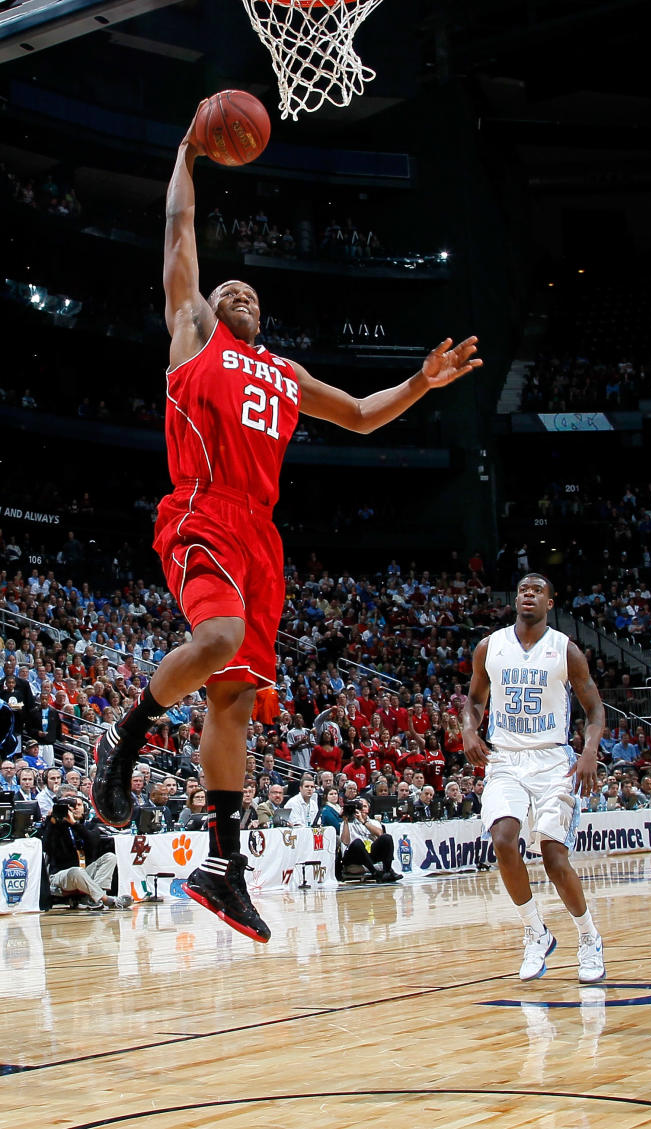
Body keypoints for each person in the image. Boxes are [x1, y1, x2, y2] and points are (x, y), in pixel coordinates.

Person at [90, 103, 482, 944]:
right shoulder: (193, 336)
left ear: (261, 317)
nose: (234, 290)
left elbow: (366, 416)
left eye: (248, 291)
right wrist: (187, 152)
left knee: (233, 700)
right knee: (220, 636)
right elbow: (179, 232)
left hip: (262, 538)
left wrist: (422, 382)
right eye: (226, 286)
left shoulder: (281, 372)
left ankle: (222, 867)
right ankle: (124, 741)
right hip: (203, 507)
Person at [462, 573, 606, 984]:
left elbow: (595, 710)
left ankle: (588, 937)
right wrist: (469, 730)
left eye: (537, 590)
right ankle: (535, 931)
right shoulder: (490, 647)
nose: (528, 594)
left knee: (554, 857)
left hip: (552, 760)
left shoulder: (566, 650)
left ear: (550, 601)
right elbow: (473, 700)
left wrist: (589, 752)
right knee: (503, 841)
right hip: (505, 757)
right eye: (523, 589)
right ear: (516, 599)